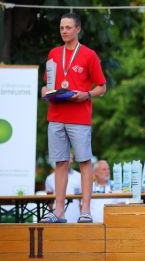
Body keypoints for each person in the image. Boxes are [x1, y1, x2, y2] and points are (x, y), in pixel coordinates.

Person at [40, 13, 107, 223]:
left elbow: (102, 87)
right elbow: (47, 84)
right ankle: (58, 211)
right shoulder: (53, 54)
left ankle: (85, 210)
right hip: (56, 115)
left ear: (78, 29)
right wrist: (44, 91)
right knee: (60, 163)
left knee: (85, 162)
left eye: (68, 27)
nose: (64, 31)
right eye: (61, 28)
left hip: (79, 117)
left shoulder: (89, 55)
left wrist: (86, 95)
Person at [45, 152, 81, 223]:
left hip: (75, 215)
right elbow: (49, 200)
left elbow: (81, 200)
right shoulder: (50, 178)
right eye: (69, 158)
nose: (71, 161)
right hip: (57, 216)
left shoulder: (79, 176)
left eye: (72, 159)